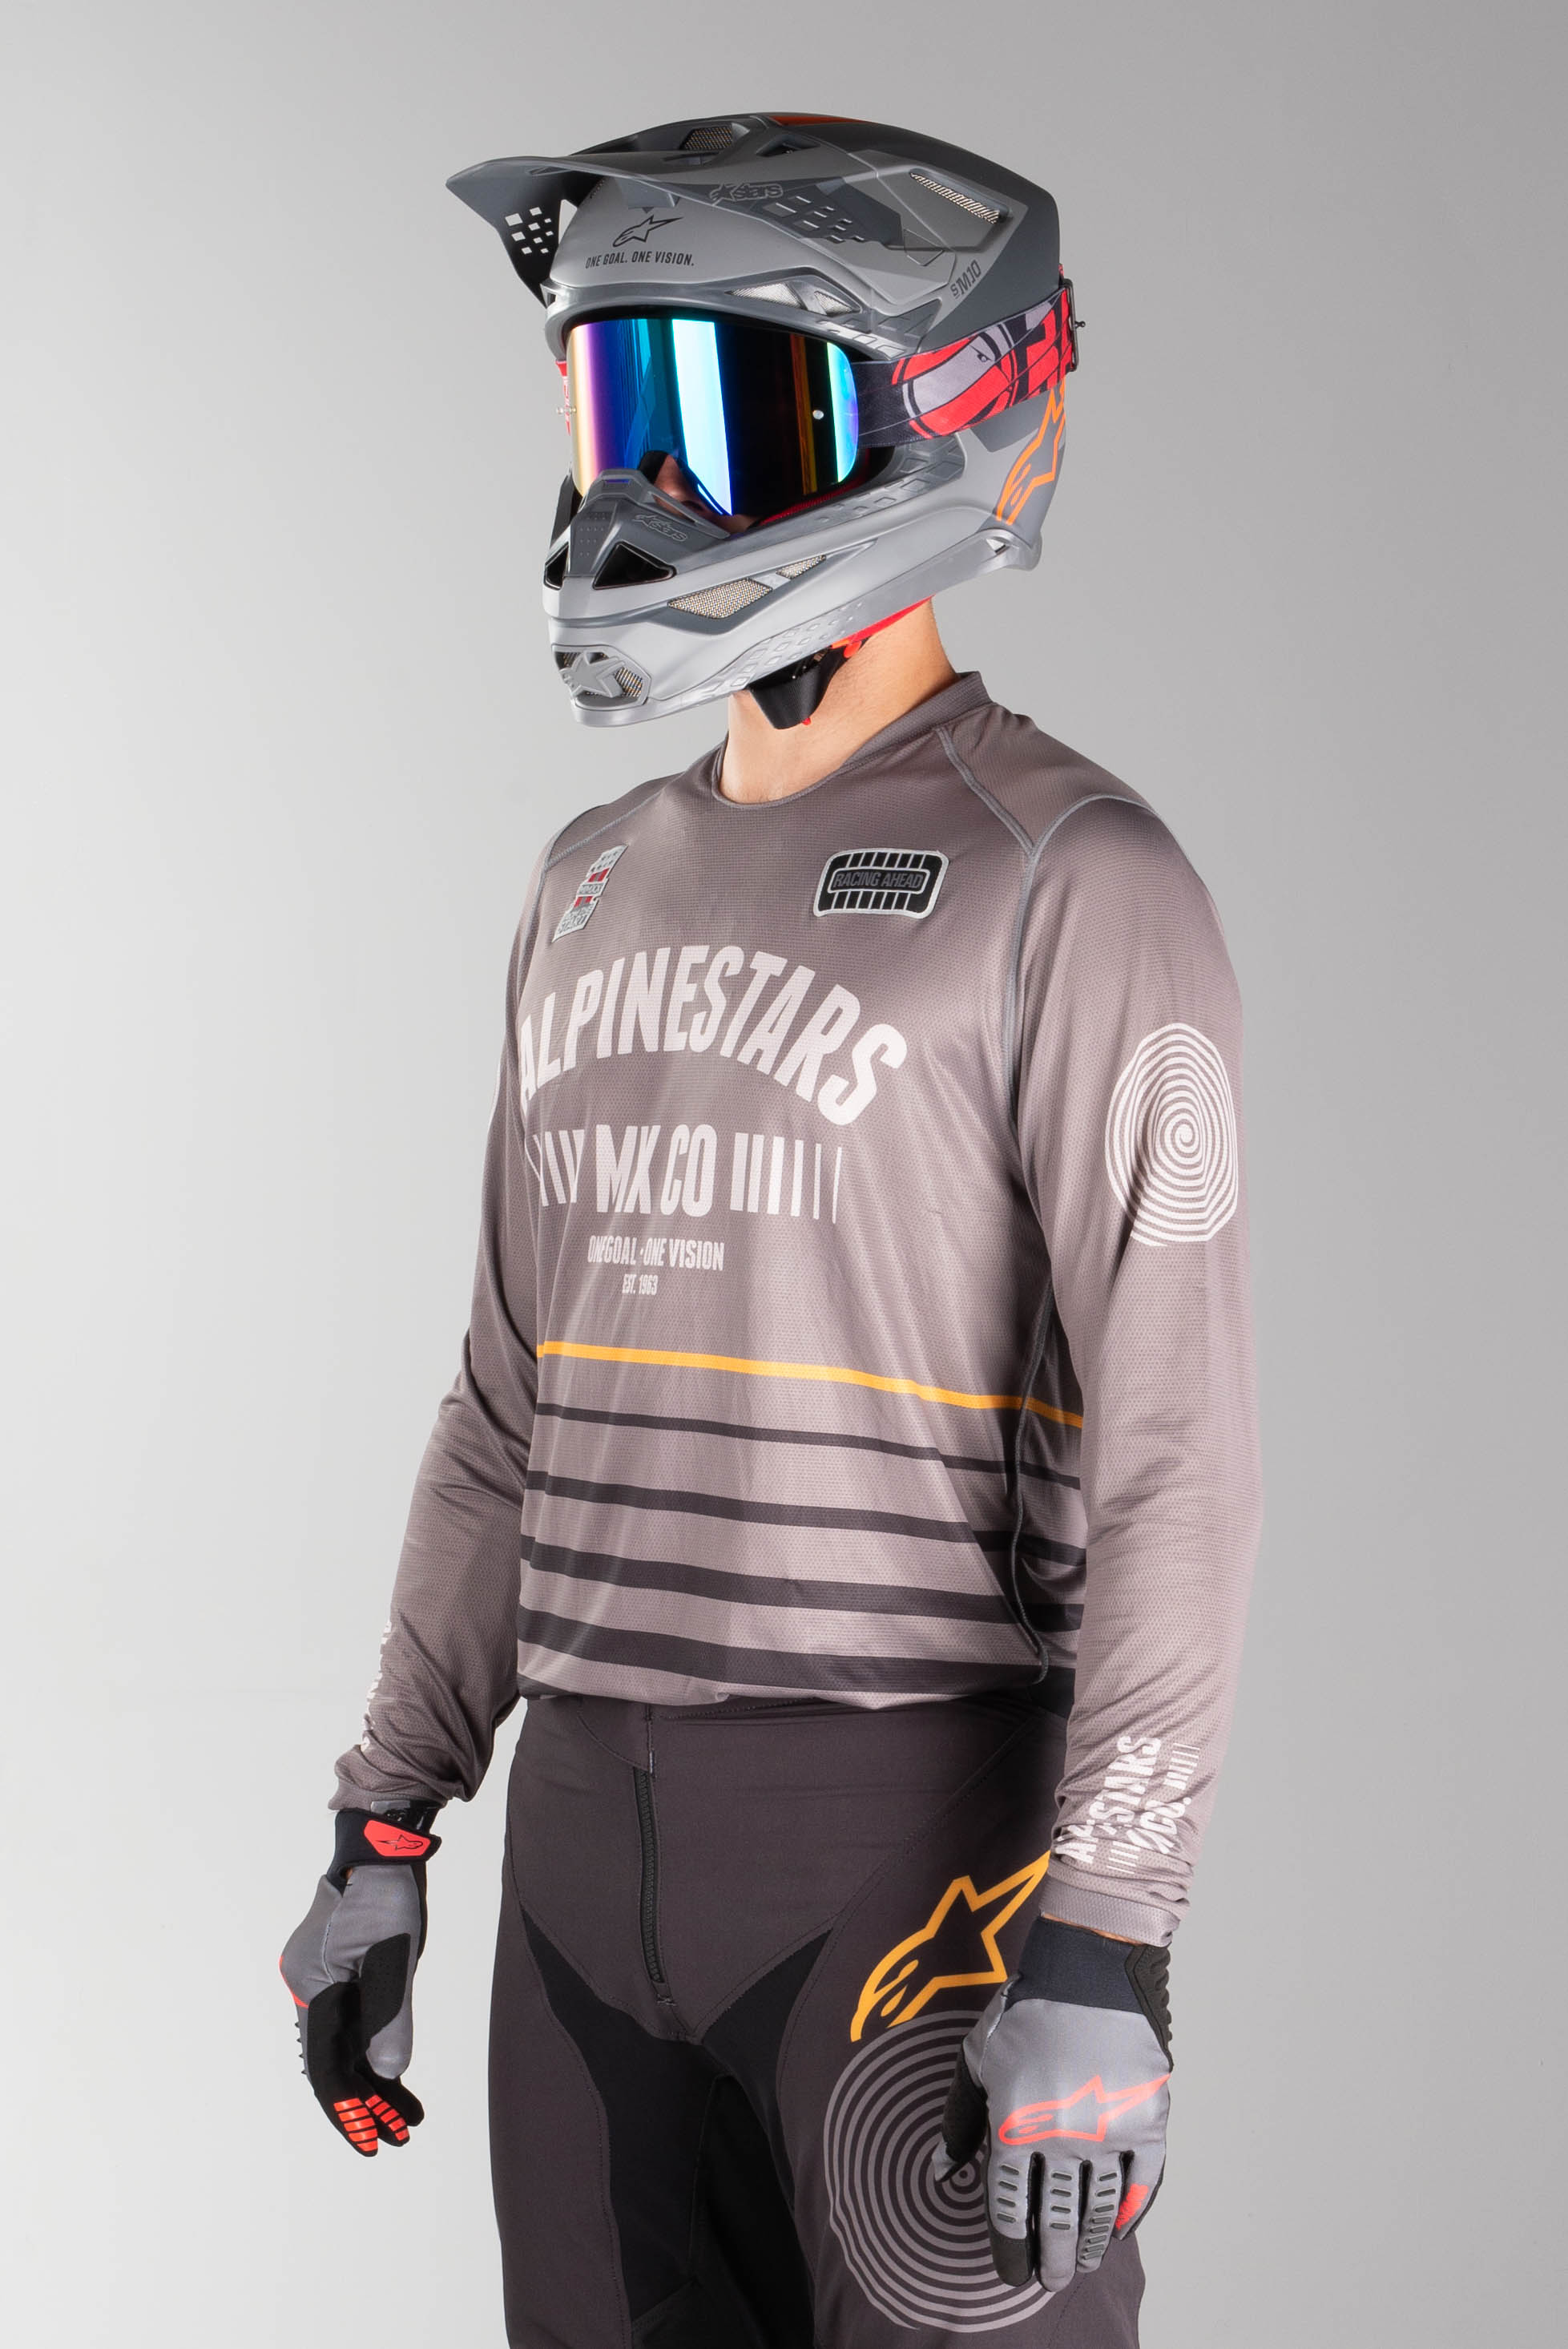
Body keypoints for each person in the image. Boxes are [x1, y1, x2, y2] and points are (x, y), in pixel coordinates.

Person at [281, 113, 1261, 2349]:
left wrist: (1114, 1922)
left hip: (914, 1856)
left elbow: (1181, 1460)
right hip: (575, 1870)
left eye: (722, 414)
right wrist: (387, 1818)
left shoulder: (1075, 884)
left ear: (939, 410)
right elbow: (506, 1413)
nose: (636, 495)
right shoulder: (584, 884)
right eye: (615, 409)